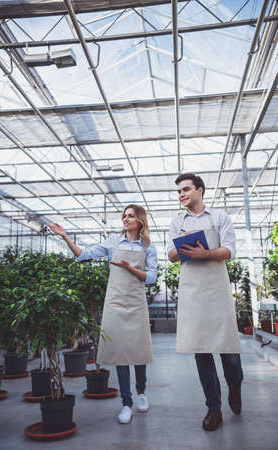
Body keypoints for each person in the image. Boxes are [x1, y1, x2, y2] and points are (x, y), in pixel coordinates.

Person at [48, 204, 157, 424]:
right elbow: (83, 255)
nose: (126, 219)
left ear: (140, 220)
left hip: (136, 303)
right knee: (121, 354)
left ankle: (142, 392)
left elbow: (151, 277)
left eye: (131, 216)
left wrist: (129, 268)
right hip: (115, 303)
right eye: (124, 216)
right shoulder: (112, 242)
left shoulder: (147, 246)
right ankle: (126, 403)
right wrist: (65, 236)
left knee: (138, 351)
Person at [168, 173, 243, 431]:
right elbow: (170, 256)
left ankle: (235, 385)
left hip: (216, 290)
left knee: (229, 351)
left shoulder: (219, 217)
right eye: (179, 191)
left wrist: (206, 253)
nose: (182, 195)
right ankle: (213, 407)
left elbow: (229, 250)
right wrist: (183, 245)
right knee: (201, 350)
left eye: (186, 189)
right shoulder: (177, 221)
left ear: (200, 190)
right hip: (192, 292)